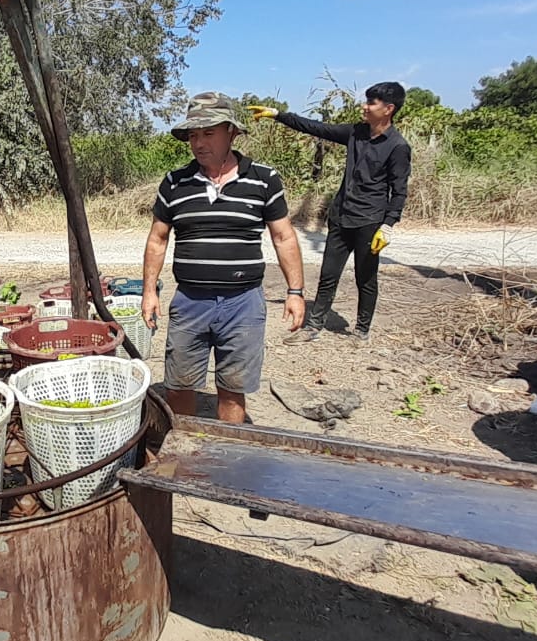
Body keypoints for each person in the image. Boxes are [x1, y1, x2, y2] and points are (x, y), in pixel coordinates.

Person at [142, 92, 308, 424]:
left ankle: (228, 460)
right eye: (193, 135)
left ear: (231, 132)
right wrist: (149, 291)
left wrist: (295, 292)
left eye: (208, 132)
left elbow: (283, 236)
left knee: (233, 389)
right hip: (190, 302)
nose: (198, 143)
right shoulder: (175, 183)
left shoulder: (263, 179)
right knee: (178, 386)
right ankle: (185, 458)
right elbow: (158, 239)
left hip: (243, 304)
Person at [247, 81, 409, 342]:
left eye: (371, 103)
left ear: (388, 109)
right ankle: (314, 326)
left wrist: (388, 225)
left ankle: (361, 330)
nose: (364, 107)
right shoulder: (356, 133)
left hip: (370, 222)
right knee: (328, 274)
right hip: (341, 217)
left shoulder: (397, 146)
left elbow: (399, 190)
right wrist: (279, 115)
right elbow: (316, 128)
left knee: (365, 278)